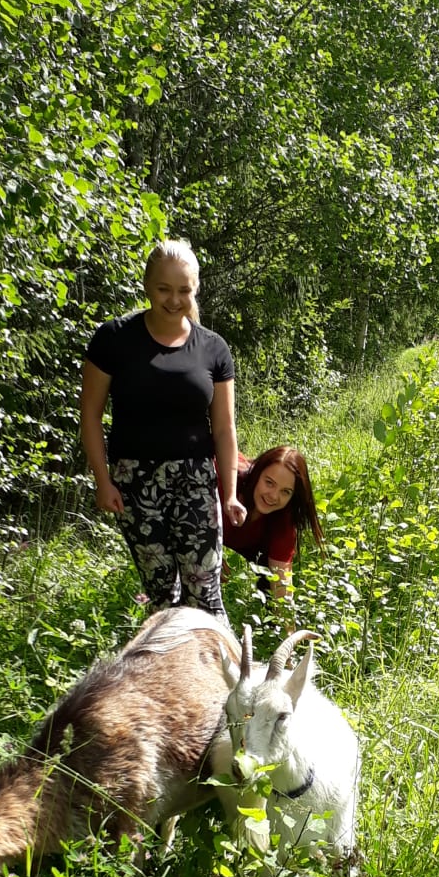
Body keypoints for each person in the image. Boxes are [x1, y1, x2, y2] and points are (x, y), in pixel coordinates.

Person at [80, 239, 245, 616]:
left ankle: (220, 673)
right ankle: (166, 672)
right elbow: (90, 415)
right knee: (162, 599)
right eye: (163, 289)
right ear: (146, 286)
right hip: (135, 484)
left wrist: (229, 493)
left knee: (205, 596)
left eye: (183, 290)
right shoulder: (114, 339)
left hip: (196, 482)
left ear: (195, 289)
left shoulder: (213, 348)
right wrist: (103, 481)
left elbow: (224, 428)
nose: (173, 299)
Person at [224, 445, 323, 601]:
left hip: (253, 542)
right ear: (257, 474)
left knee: (271, 588)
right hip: (194, 527)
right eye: (269, 483)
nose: (273, 496)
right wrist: (206, 551)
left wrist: (286, 623)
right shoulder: (226, 486)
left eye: (285, 492)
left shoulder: (283, 519)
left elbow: (282, 588)